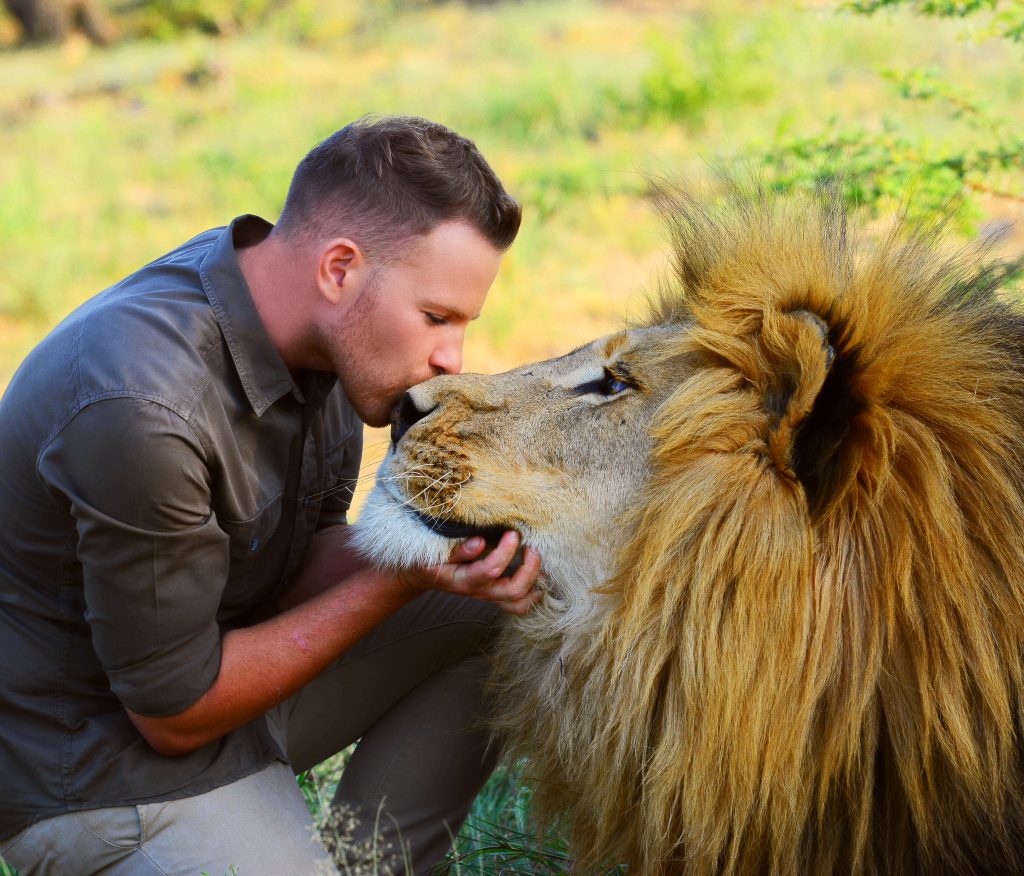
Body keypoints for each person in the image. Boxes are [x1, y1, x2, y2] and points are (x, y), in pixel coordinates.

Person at [0, 115, 543, 876]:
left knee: (497, 606)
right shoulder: (142, 408)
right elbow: (172, 713)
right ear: (340, 269)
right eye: (435, 317)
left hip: (221, 681)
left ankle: (370, 866)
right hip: (100, 771)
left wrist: (443, 548)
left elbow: (298, 564)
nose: (452, 359)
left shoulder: (324, 336)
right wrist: (398, 579)